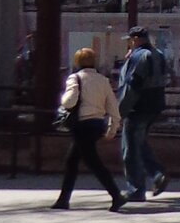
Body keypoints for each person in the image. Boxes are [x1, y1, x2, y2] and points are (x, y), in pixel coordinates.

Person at [53, 46, 126, 212]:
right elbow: (113, 107)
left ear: (77, 61)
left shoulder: (75, 78)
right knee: (72, 161)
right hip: (96, 125)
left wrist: (63, 99)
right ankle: (63, 199)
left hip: (81, 125)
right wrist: (112, 128)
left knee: (93, 162)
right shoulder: (103, 80)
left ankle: (116, 195)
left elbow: (69, 102)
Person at [116, 27, 170, 203]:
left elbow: (133, 87)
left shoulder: (139, 57)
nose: (129, 43)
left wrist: (120, 112)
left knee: (130, 149)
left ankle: (136, 189)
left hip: (137, 107)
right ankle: (157, 174)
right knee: (139, 144)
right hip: (154, 106)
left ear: (137, 39)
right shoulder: (158, 54)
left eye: (131, 40)